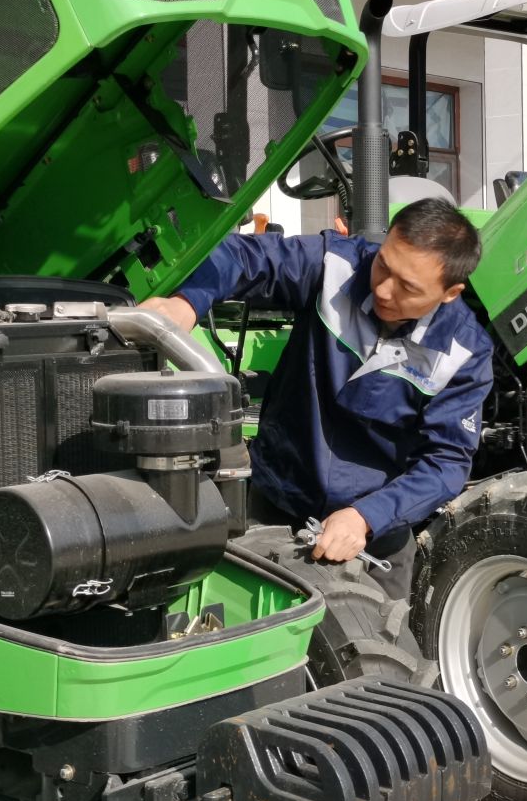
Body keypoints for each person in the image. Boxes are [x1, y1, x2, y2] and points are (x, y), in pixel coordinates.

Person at [140, 198, 492, 599]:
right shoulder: (336, 266)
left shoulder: (463, 353)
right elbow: (242, 255)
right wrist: (186, 302)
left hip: (376, 534)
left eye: (407, 287)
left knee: (380, 634)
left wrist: (366, 516)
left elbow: (446, 463)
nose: (382, 288)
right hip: (274, 503)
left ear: (450, 293)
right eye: (383, 265)